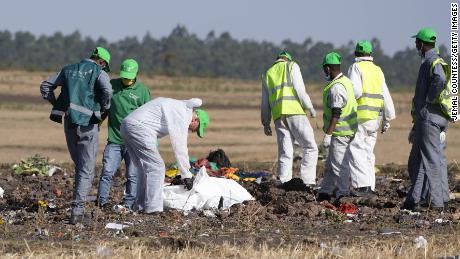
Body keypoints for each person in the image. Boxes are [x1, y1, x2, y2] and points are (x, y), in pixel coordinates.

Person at [39, 47, 113, 224]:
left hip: (69, 122)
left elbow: (45, 86)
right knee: (86, 169)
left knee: (80, 166)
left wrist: (57, 105)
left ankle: (77, 208)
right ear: (102, 62)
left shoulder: (68, 69)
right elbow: (108, 92)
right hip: (88, 125)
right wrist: (103, 108)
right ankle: (77, 213)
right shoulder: (98, 72)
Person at [120, 97, 209, 213]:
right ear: (195, 120)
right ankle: (153, 209)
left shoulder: (177, 107)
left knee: (144, 168)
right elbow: (180, 146)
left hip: (127, 125)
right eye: (196, 129)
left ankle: (140, 206)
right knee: (157, 167)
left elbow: (153, 125)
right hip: (138, 128)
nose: (193, 132)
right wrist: (186, 174)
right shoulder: (182, 115)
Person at [404, 28, 451, 211]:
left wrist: (430, 99)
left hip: (430, 119)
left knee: (430, 160)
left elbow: (439, 79)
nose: (416, 45)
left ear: (422, 44)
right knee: (417, 160)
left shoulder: (431, 61)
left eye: (417, 42)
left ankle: (438, 203)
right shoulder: (431, 61)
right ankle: (413, 199)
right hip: (429, 119)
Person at [97, 59, 151, 210]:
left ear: (136, 74)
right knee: (107, 172)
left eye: (129, 76)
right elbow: (105, 107)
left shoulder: (143, 91)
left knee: (133, 175)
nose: (126, 79)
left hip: (133, 143)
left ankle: (128, 204)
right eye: (124, 76)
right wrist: (97, 123)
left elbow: (148, 117)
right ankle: (102, 202)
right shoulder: (112, 86)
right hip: (114, 140)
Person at [261, 51, 318, 186]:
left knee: (286, 152)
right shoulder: (292, 66)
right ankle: (308, 182)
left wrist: (265, 122)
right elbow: (300, 90)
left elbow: (265, 102)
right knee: (310, 147)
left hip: (278, 117)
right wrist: (310, 107)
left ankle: (284, 182)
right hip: (295, 112)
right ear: (288, 59)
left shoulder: (267, 74)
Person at [347, 40, 396, 197]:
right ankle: (370, 186)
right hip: (375, 119)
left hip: (360, 117)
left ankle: (361, 187)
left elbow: (355, 92)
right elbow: (385, 95)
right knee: (368, 153)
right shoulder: (378, 70)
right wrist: (387, 119)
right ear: (370, 54)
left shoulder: (356, 67)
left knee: (355, 151)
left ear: (356, 54)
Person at [317, 52, 358, 201]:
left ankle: (343, 193)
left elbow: (336, 112)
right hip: (348, 129)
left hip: (341, 131)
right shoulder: (346, 81)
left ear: (328, 69)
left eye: (324, 69)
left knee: (339, 165)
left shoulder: (336, 88)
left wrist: (328, 134)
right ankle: (325, 191)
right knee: (331, 163)